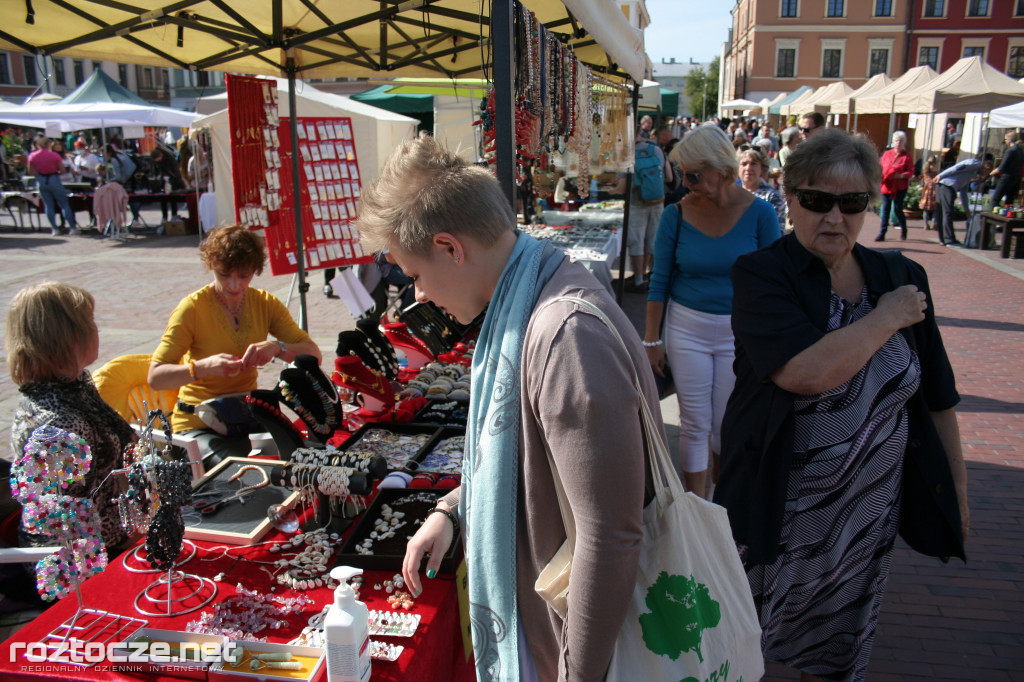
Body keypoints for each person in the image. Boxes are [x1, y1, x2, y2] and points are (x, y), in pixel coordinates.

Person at [357, 136, 661, 681]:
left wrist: (577, 675)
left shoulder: (564, 334)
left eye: (416, 276)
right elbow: (529, 459)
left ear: (451, 247)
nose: (419, 297)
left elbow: (610, 536)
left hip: (578, 652)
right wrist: (455, 509)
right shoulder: (535, 298)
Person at [713, 129, 968, 681]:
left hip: (864, 509)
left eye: (852, 203)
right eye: (817, 200)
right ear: (789, 196)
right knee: (738, 642)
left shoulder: (900, 276)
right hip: (776, 500)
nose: (835, 217)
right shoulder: (762, 274)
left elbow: (938, 395)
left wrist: (958, 490)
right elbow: (805, 373)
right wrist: (887, 318)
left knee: (837, 648)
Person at [643, 124, 781, 499]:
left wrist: (771, 341)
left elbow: (775, 282)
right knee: (694, 423)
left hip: (739, 333)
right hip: (687, 328)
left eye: (693, 174)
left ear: (720, 167)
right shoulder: (677, 215)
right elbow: (660, 280)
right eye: (683, 174)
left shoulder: (761, 214)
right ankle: (696, 507)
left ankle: (721, 499)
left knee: (725, 424)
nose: (685, 182)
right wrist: (651, 339)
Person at [148, 225, 322, 465]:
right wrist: (201, 368)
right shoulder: (192, 308)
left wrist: (278, 348)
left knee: (300, 458)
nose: (233, 285)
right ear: (211, 266)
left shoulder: (264, 303)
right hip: (197, 424)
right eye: (223, 274)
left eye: (243, 276)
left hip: (245, 417)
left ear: (255, 270)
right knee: (241, 472)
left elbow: (313, 355)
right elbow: (155, 377)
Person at [7, 283, 137, 554]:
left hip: (113, 529)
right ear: (70, 336)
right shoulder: (60, 424)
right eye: (89, 321)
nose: (96, 328)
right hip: (84, 561)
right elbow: (72, 528)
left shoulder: (68, 387)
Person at [619, 129, 673, 292]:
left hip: (636, 202)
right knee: (653, 239)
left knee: (636, 241)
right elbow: (669, 177)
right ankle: (653, 276)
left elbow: (622, 188)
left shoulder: (626, 154)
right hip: (657, 201)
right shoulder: (656, 149)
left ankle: (638, 279)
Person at [27, 136, 79, 236]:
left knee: (48, 205)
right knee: (64, 204)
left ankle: (54, 229)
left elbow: (30, 171)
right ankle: (72, 227)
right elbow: (63, 170)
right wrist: (56, 173)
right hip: (54, 178)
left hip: (41, 180)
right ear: (48, 144)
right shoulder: (54, 155)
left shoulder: (32, 155)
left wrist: (39, 174)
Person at [935, 155, 983, 246]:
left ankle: (943, 239)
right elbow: (957, 168)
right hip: (948, 185)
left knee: (941, 212)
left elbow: (963, 193)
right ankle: (949, 239)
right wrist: (940, 175)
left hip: (943, 185)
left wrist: (966, 210)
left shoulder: (969, 174)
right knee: (947, 212)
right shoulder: (976, 164)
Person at [876, 130, 916, 242]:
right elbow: (880, 167)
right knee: (886, 208)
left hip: (900, 186)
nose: (898, 143)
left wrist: (901, 176)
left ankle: (904, 230)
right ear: (893, 141)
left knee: (898, 208)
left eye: (901, 141)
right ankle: (882, 233)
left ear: (904, 142)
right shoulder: (887, 154)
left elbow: (911, 171)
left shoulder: (906, 156)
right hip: (887, 185)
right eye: (896, 140)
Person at [736, 145, 786, 231]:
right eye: (744, 164)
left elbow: (778, 232)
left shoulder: (772, 196)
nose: (748, 168)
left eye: (753, 164)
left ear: (762, 168)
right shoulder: (731, 193)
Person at [988, 131, 1023, 207]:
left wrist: (990, 173)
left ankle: (995, 217)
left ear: (1010, 139)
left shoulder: (1010, 151)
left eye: (1006, 139)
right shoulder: (1020, 150)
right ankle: (1008, 216)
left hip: (1007, 177)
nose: (1005, 141)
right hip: (1017, 177)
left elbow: (1002, 166)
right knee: (1010, 201)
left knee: (995, 199)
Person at [919, 154, 939, 230]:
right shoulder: (936, 172)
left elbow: (918, 178)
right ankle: (934, 224)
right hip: (934, 191)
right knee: (935, 209)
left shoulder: (925, 172)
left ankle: (926, 224)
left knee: (926, 209)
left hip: (927, 192)